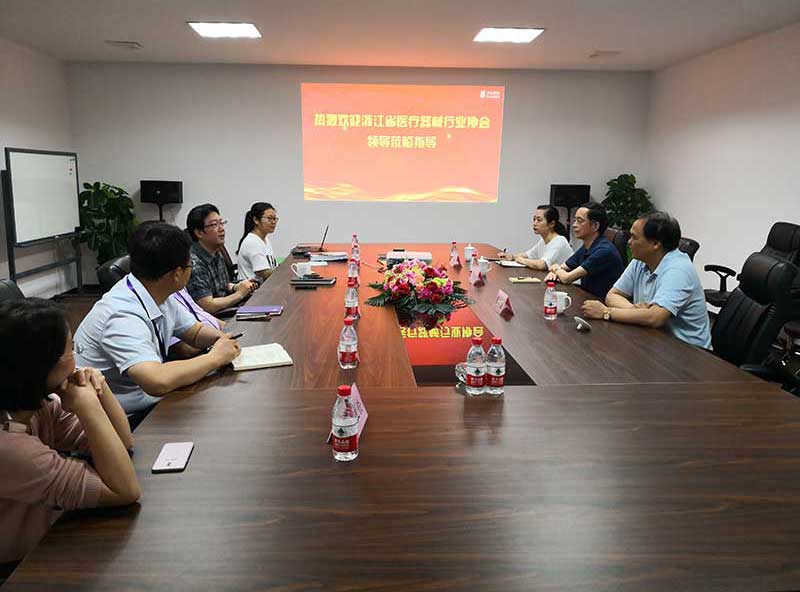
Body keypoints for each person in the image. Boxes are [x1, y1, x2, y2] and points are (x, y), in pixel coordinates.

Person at [0, 299, 141, 564]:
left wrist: (100, 388)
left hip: (46, 540)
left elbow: (123, 441)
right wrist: (88, 405)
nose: (77, 359)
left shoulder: (38, 407)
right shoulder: (10, 449)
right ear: (43, 365)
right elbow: (125, 490)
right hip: (19, 570)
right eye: (72, 349)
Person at [73, 222, 242, 425]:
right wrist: (215, 358)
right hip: (119, 420)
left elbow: (195, 332)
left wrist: (222, 339)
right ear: (177, 274)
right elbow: (156, 381)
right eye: (190, 264)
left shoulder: (158, 291)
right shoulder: (121, 314)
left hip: (149, 403)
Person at [581, 211, 712, 349]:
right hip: (654, 339)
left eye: (634, 237)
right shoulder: (641, 259)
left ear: (655, 244)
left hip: (688, 351)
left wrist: (606, 313)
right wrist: (635, 310)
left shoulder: (679, 269)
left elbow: (655, 318)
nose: (629, 242)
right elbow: (613, 295)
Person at [185, 204, 257, 314]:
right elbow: (208, 306)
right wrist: (240, 294)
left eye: (222, 223)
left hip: (227, 310)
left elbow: (222, 286)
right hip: (216, 318)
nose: (222, 229)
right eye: (214, 224)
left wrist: (237, 287)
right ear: (199, 233)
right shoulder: (194, 263)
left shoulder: (216, 252)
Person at [545, 202, 624, 299]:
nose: (574, 225)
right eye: (575, 220)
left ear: (595, 226)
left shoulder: (604, 251)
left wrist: (556, 269)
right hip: (588, 298)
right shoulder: (587, 247)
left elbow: (567, 278)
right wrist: (556, 270)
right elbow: (564, 267)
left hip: (603, 304)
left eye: (580, 221)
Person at [498, 205, 573, 270]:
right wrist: (511, 256)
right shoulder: (543, 241)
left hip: (568, 282)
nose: (534, 223)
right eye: (534, 219)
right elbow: (528, 255)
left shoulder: (559, 241)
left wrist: (520, 260)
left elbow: (542, 264)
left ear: (552, 224)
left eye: (539, 220)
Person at [237, 202, 279, 281]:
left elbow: (273, 267)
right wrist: (284, 270)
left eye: (274, 219)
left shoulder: (266, 240)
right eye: (269, 218)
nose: (273, 222)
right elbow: (264, 273)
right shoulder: (252, 242)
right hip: (255, 288)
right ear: (256, 220)